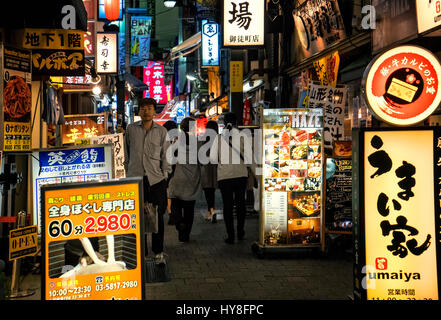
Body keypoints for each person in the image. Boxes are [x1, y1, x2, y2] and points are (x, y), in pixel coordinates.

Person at [124, 98, 171, 265]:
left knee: (157, 215)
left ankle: (158, 252)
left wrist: (165, 176)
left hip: (156, 180)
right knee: (138, 217)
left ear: (154, 111)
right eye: (143, 108)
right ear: (139, 111)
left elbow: (166, 156)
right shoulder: (130, 129)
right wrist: (128, 172)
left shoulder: (162, 131)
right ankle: (141, 253)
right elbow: (126, 153)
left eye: (149, 108)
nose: (146, 111)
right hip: (135, 179)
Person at [210, 112, 250, 244]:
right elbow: (249, 158)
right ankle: (241, 231)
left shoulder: (219, 138)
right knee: (240, 204)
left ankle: (230, 235)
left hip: (224, 176)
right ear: (237, 122)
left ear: (223, 123)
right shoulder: (243, 137)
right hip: (241, 175)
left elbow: (213, 158)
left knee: (227, 205)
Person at [168, 117, 202, 242]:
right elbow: (202, 161)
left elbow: (169, 158)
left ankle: (179, 223)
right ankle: (185, 235)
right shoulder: (198, 142)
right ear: (193, 127)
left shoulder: (176, 141)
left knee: (176, 205)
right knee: (189, 209)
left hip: (178, 177)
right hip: (192, 179)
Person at [200, 120, 218, 223]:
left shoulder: (203, 140)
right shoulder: (218, 139)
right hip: (215, 168)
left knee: (208, 192)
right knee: (213, 191)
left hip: (206, 169)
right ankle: (211, 211)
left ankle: (210, 210)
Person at [163, 120, 178, 225]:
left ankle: (171, 212)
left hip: (169, 168)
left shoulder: (165, 140)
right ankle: (173, 213)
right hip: (178, 168)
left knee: (168, 192)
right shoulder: (179, 139)